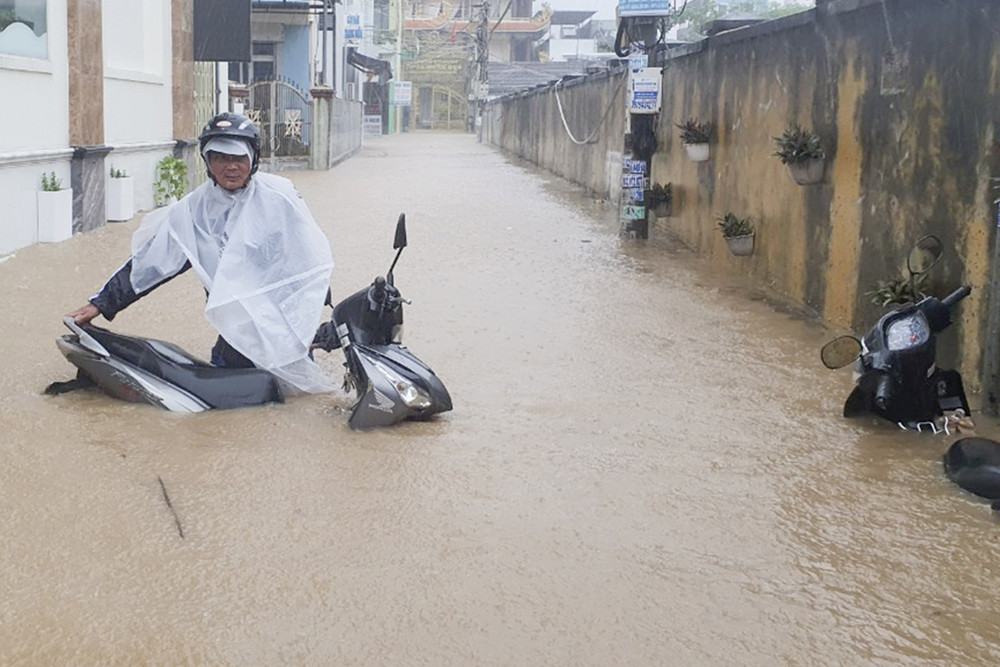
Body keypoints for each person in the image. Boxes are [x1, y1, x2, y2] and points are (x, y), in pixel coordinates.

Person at [68, 112, 335, 393]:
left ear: (253, 159)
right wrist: (101, 303)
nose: (230, 167)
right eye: (220, 158)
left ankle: (312, 344)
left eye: (238, 158)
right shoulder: (194, 211)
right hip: (235, 325)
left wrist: (312, 305)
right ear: (207, 161)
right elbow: (152, 262)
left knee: (296, 393)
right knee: (229, 395)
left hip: (281, 320)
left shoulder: (280, 196)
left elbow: (309, 255)